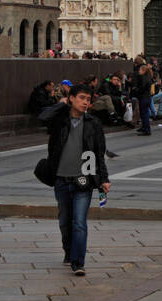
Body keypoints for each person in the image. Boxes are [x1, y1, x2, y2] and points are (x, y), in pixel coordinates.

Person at [39, 81, 111, 277]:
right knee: (64, 221)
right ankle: (69, 252)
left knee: (79, 221)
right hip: (61, 178)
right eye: (81, 98)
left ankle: (78, 263)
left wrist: (104, 178)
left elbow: (99, 152)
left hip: (83, 180)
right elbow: (42, 117)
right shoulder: (59, 120)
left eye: (88, 99)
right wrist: (62, 105)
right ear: (71, 98)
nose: (85, 102)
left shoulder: (93, 123)